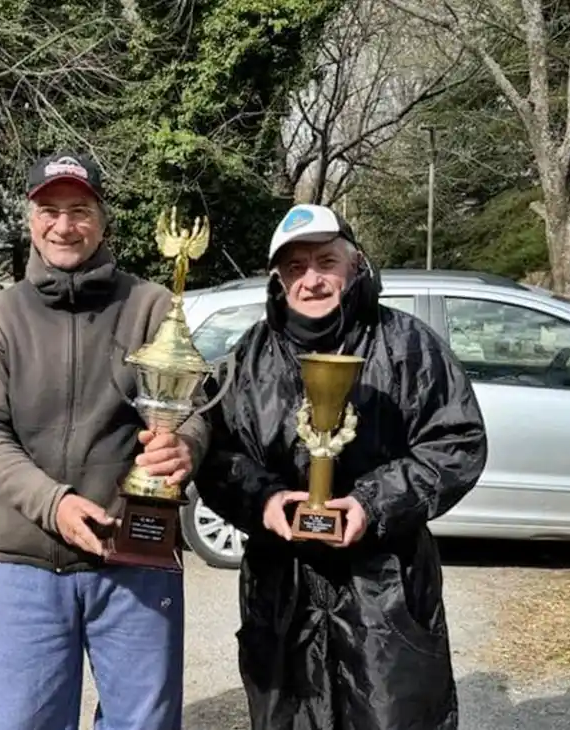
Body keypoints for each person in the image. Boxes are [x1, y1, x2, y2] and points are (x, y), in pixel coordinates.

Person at [194, 203, 488, 730]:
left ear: (355, 265)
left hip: (384, 589)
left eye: (325, 261)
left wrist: (373, 504)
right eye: (295, 267)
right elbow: (216, 457)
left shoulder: (407, 345)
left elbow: (456, 442)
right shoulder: (248, 358)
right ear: (278, 280)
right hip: (281, 592)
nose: (311, 280)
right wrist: (263, 500)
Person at [0, 151, 210, 730]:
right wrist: (55, 504)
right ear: (30, 219)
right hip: (26, 567)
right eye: (49, 210)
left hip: (136, 558)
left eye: (79, 210)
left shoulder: (151, 305)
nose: (64, 226)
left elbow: (195, 407)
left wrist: (186, 447)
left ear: (102, 219)